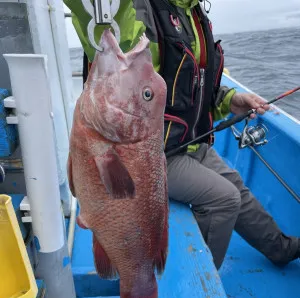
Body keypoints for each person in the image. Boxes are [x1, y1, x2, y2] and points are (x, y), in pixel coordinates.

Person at [64, 0, 300, 269]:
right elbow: (117, 43)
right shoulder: (143, 10)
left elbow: (196, 88)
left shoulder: (193, 14)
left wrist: (231, 101)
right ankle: (198, 280)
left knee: (238, 189)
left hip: (193, 143)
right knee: (224, 199)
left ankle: (281, 249)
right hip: (156, 154)